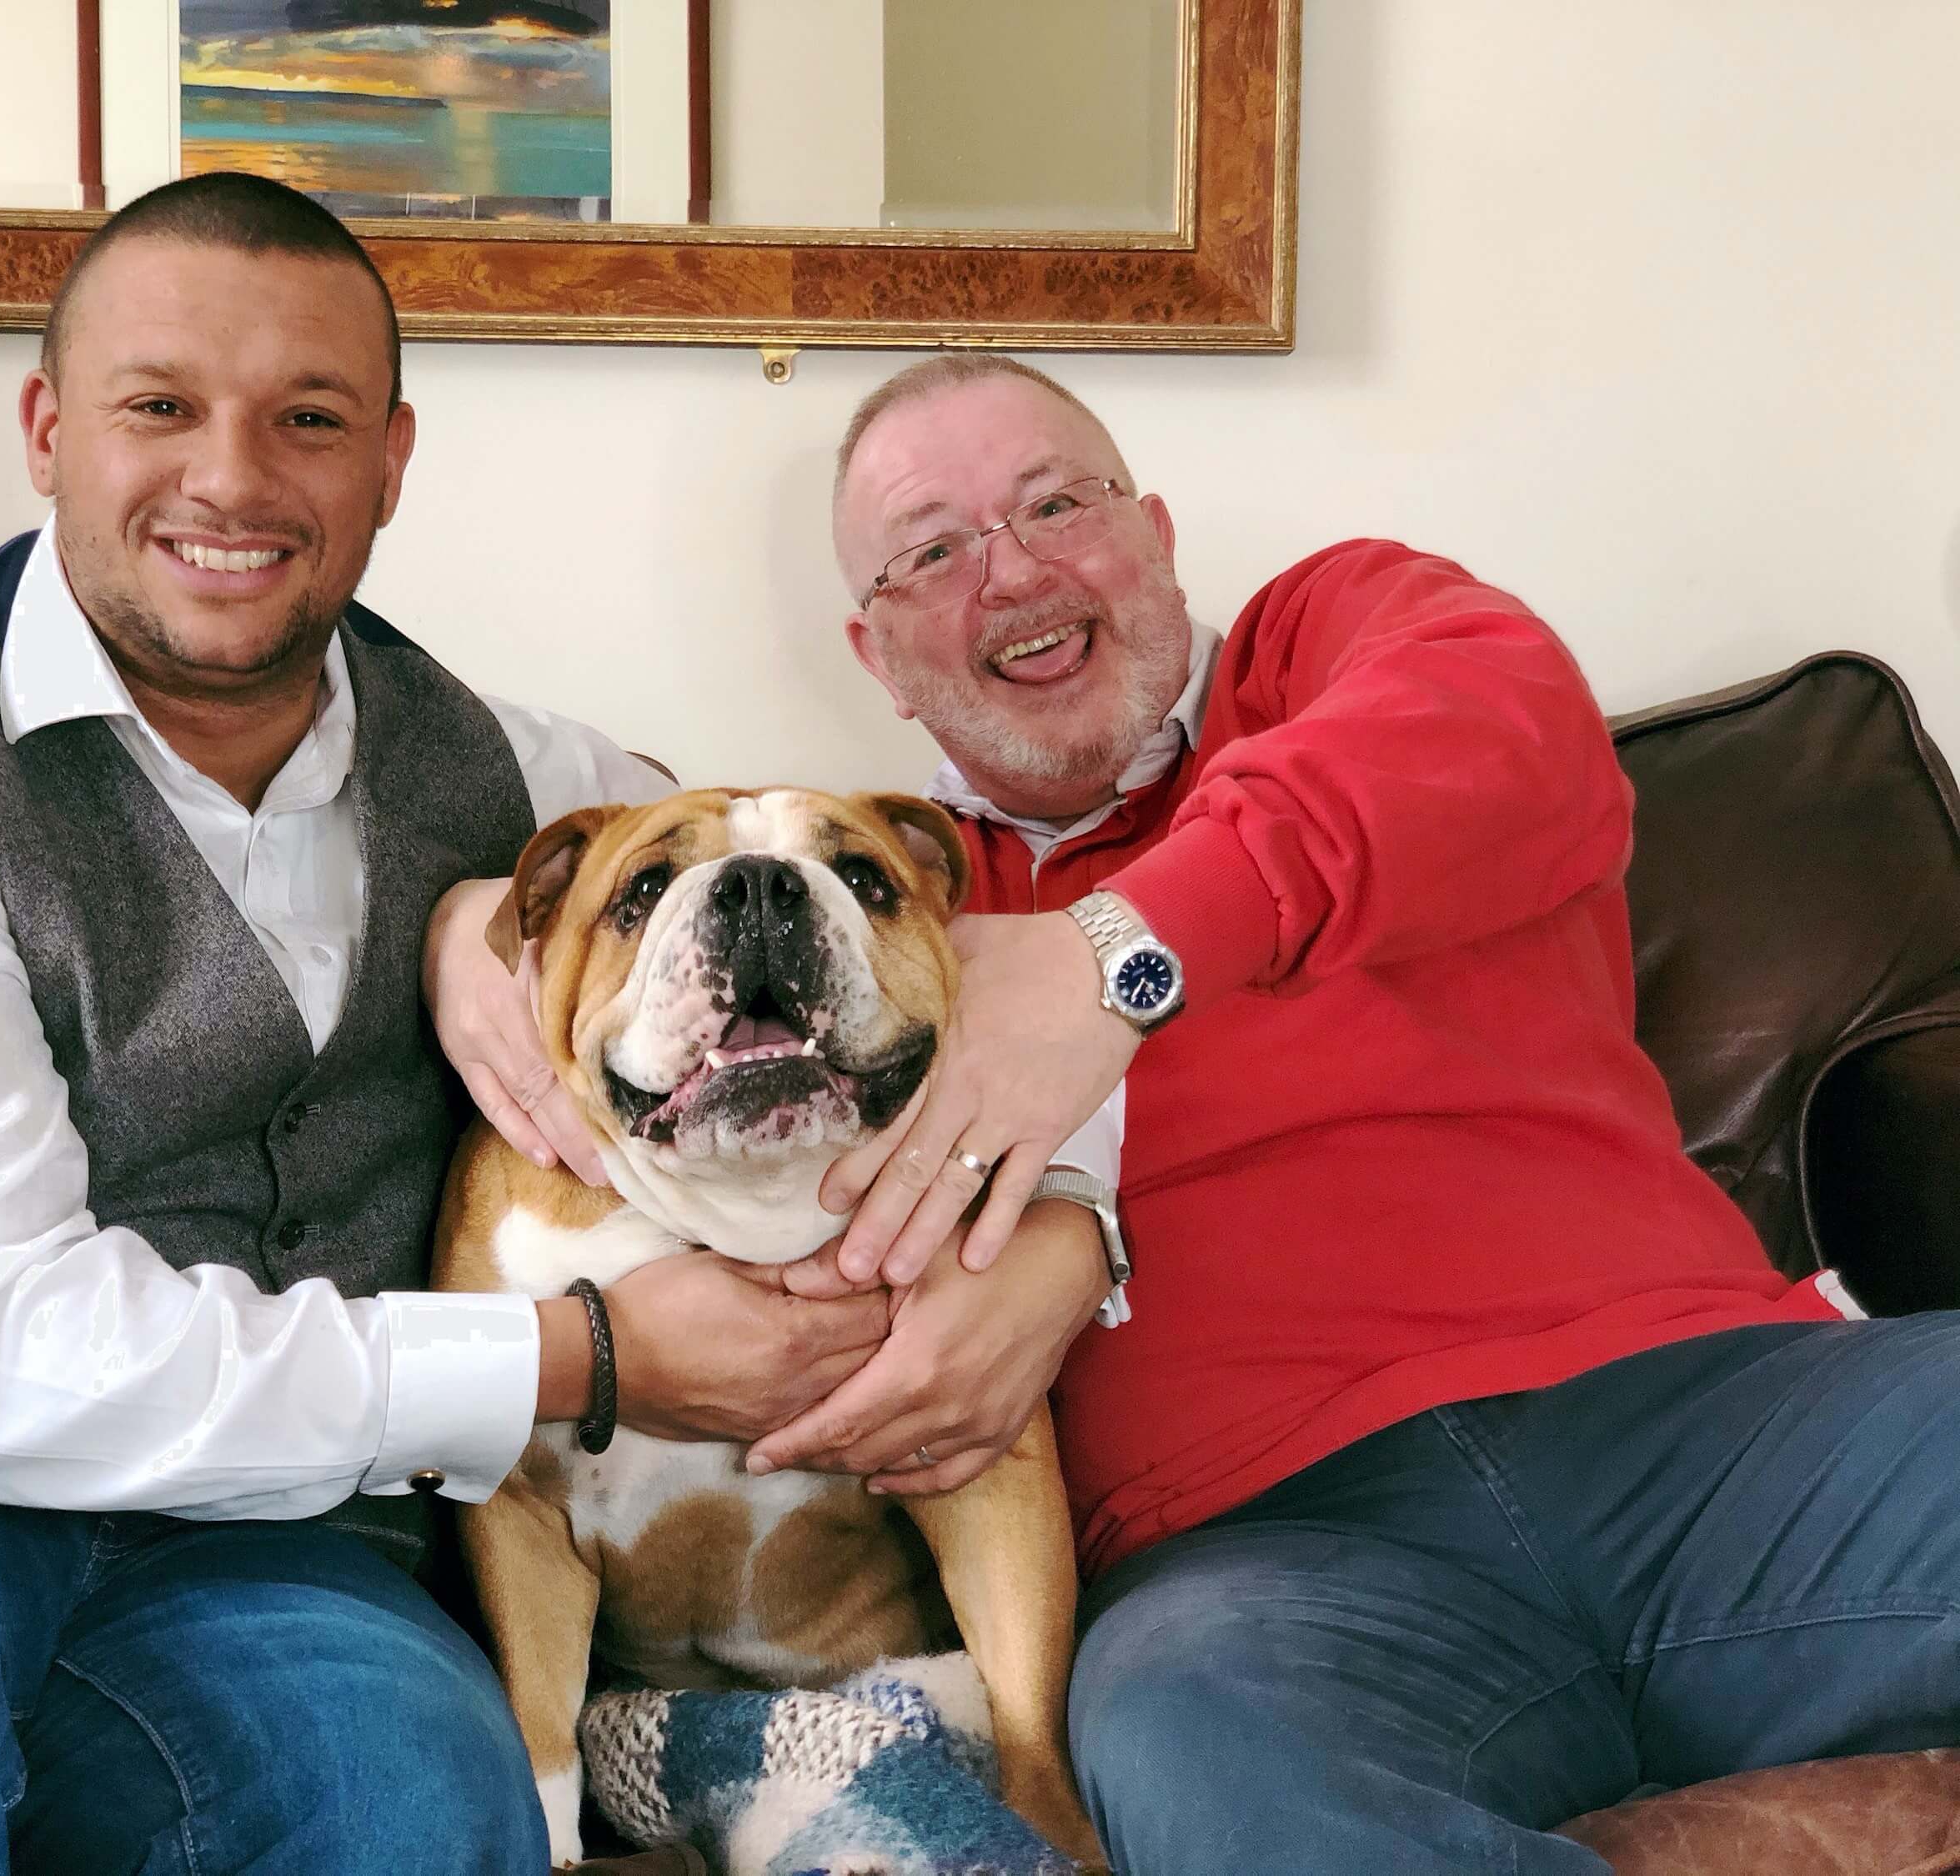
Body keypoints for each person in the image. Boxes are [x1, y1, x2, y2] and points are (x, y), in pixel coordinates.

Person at [0, 174, 895, 1876]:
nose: (231, 479)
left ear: (392, 460)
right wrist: (581, 1357)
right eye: (160, 406)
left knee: (419, 1805)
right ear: (46, 429)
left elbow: (899, 981)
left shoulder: (541, 796)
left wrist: (1065, 1240)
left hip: (262, 1554)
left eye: (308, 419)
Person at [739, 352, 1960, 1871]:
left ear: (1159, 536)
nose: (1016, 569)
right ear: (877, 649)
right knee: (1197, 1755)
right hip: (1266, 1562)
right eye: (935, 549)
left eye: (1057, 501)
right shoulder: (883, 911)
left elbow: (1503, 719)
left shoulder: (1327, 648)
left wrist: (1111, 958)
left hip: (1717, 1427)